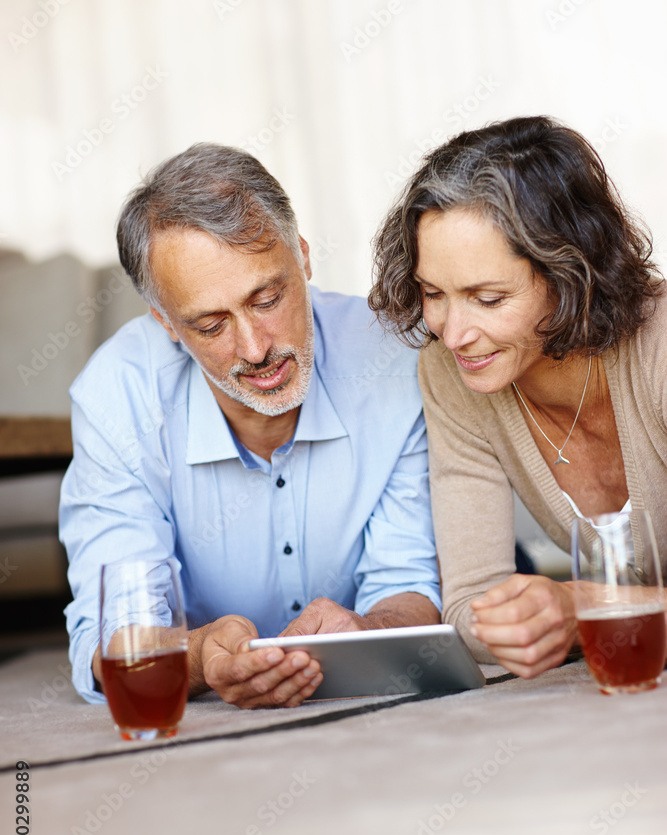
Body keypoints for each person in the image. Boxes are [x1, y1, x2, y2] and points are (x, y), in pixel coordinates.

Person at [59, 143, 442, 709]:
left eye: (267, 298)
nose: (256, 348)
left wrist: (372, 629)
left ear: (304, 258)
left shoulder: (395, 359)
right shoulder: (116, 395)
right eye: (211, 325)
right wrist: (197, 656)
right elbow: (116, 637)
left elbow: (410, 581)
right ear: (165, 322)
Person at [369, 115, 665, 679]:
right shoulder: (451, 374)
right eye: (434, 294)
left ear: (571, 274)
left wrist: (584, 612)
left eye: (487, 298)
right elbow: (469, 603)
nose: (453, 334)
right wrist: (523, 626)